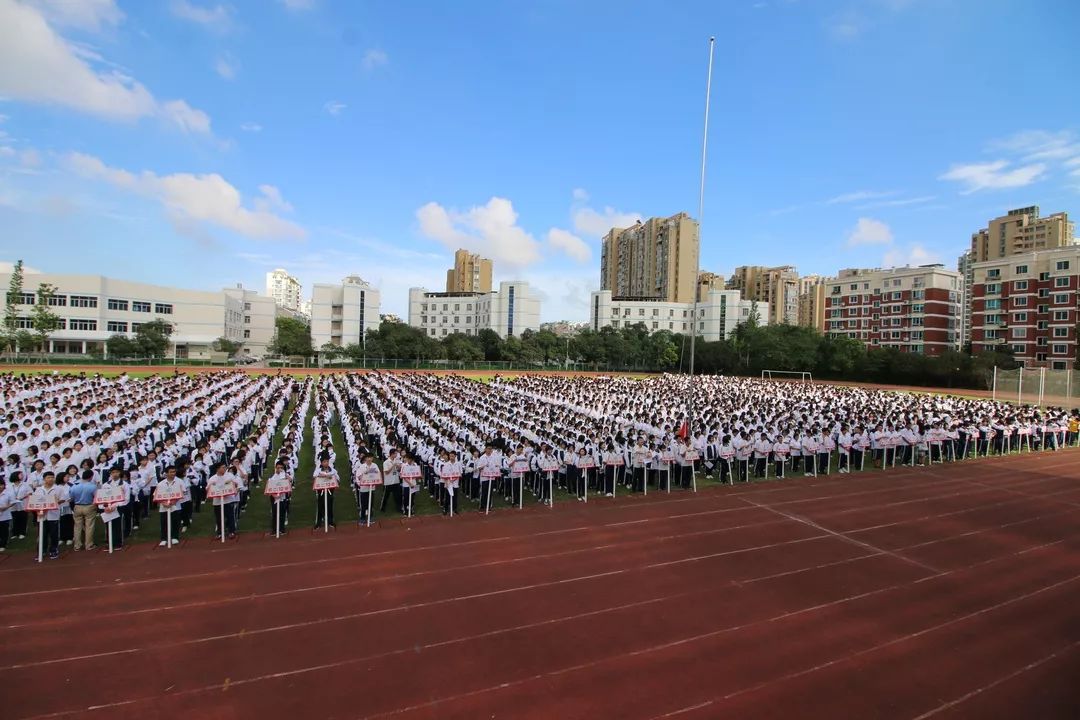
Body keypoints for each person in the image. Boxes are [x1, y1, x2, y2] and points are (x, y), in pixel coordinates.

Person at [69, 469, 98, 551]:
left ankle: (77, 545)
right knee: (89, 526)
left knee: (77, 526)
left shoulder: (74, 486)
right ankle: (89, 544)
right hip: (89, 506)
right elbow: (96, 497)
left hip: (77, 506)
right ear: (91, 477)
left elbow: (71, 498)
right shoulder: (93, 486)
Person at [155, 465, 183, 547]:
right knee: (164, 522)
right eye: (171, 472)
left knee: (175, 521)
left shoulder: (178, 482)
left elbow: (182, 493)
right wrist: (163, 503)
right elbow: (156, 495)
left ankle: (175, 537)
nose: (173, 473)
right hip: (164, 506)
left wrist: (174, 501)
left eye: (174, 472)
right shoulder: (160, 484)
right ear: (166, 473)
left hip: (175, 506)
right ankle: (164, 538)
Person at [354, 454, 382, 525]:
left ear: (372, 458)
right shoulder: (362, 467)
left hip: (371, 488)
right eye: (368, 458)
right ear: (365, 459)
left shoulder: (374, 465)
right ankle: (362, 518)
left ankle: (370, 517)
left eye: (371, 458)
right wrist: (364, 474)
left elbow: (378, 474)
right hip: (363, 488)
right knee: (363, 504)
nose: (369, 459)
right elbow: (358, 476)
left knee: (371, 503)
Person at [313, 455, 338, 529]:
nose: (326, 463)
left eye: (327, 461)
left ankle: (330, 521)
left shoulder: (332, 470)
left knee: (330, 506)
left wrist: (332, 477)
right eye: (324, 462)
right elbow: (314, 476)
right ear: (321, 463)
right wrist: (324, 475)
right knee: (320, 506)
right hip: (321, 491)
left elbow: (337, 478)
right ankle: (318, 522)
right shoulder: (318, 470)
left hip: (330, 490)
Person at [380, 448, 403, 515]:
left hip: (396, 481)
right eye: (395, 453)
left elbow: (398, 470)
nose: (396, 455)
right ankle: (382, 507)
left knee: (398, 496)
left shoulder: (396, 461)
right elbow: (386, 472)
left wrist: (399, 467)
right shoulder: (386, 462)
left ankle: (399, 508)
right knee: (385, 496)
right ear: (392, 454)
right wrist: (393, 465)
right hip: (388, 482)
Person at [0, 478, 14, 550]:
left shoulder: (8, 493)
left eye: (1, 485)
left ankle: (3, 545)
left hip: (5, 515)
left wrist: (6, 507)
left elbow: (12, 502)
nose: (0, 486)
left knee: (4, 531)